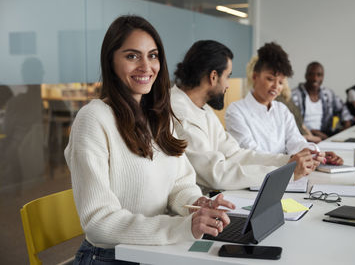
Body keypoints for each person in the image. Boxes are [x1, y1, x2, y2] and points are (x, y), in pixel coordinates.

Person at [64, 15, 234, 265]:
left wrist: (196, 204)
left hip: (157, 250)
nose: (146, 66)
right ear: (110, 61)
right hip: (111, 256)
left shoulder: (158, 115)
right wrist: (181, 227)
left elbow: (179, 183)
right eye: (132, 56)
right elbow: (98, 223)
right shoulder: (93, 119)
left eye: (152, 55)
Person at [171, 40, 324, 194]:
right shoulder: (180, 113)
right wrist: (287, 172)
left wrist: (288, 162)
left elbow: (235, 154)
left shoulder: (202, 107)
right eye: (228, 76)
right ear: (213, 77)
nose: (228, 85)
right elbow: (217, 174)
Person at [225, 43, 342, 165]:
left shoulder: (281, 110)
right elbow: (252, 153)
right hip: (256, 179)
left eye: (281, 82)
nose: (276, 86)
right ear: (255, 77)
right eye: (270, 79)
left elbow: (295, 141)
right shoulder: (236, 111)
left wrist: (313, 153)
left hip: (288, 174)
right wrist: (291, 159)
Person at [245, 56, 322, 143]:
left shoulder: (286, 97)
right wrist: (307, 138)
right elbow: (279, 139)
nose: (276, 84)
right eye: (270, 78)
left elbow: (301, 125)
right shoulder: (270, 101)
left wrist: (313, 138)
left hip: (302, 141)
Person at [292, 62, 353, 140]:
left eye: (319, 75)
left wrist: (344, 131)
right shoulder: (294, 95)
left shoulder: (328, 93)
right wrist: (311, 133)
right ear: (306, 75)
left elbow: (343, 110)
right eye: (311, 74)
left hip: (326, 135)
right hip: (302, 136)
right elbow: (291, 123)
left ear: (323, 77)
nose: (315, 78)